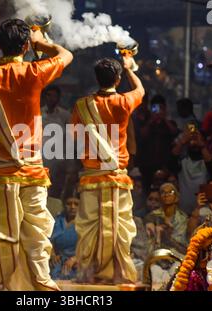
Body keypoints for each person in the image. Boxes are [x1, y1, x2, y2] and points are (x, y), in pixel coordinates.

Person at [0, 19, 73, 290]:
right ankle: (40, 287)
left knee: (0, 238)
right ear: (26, 45)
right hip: (32, 172)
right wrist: (42, 43)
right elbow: (65, 55)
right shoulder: (34, 72)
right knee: (36, 237)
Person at [71, 57, 145, 284]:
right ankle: (118, 275)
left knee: (89, 227)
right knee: (119, 229)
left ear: (96, 79)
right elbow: (140, 89)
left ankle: (88, 275)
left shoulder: (82, 105)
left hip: (91, 179)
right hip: (117, 179)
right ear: (118, 79)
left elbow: (75, 136)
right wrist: (130, 67)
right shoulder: (124, 102)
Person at [172, 128, 212, 216]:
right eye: (191, 139)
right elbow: (171, 160)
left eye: (197, 139)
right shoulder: (182, 160)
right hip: (183, 210)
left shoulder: (209, 159)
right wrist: (182, 142)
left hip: (204, 211)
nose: (194, 142)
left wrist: (202, 146)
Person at [136, 95, 178, 191]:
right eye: (155, 108)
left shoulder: (169, 123)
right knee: (146, 190)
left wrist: (164, 118)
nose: (158, 111)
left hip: (165, 165)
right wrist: (151, 120)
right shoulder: (146, 122)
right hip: (147, 165)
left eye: (161, 108)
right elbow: (141, 135)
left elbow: (174, 132)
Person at [41, 86, 71, 199]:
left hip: (59, 162)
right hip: (42, 161)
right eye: (49, 95)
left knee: (56, 192)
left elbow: (71, 139)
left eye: (54, 95)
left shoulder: (65, 116)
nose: (51, 98)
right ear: (44, 97)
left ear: (58, 98)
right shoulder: (37, 114)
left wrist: (69, 163)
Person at [145, 183, 188, 257]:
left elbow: (182, 244)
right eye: (163, 192)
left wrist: (168, 238)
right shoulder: (152, 216)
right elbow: (149, 242)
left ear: (176, 197)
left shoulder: (182, 218)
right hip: (156, 255)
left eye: (170, 192)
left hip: (177, 256)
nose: (166, 195)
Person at [50, 195, 79, 280]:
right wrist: (53, 254)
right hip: (58, 262)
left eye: (76, 204)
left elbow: (89, 247)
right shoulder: (57, 220)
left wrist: (75, 259)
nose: (72, 207)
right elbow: (48, 239)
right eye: (69, 204)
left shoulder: (84, 223)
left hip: (77, 264)